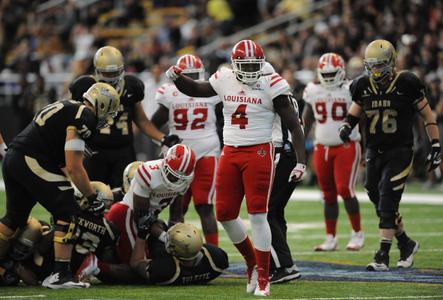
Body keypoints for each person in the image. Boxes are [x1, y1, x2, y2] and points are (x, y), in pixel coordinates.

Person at [166, 39, 307, 296]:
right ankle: (252, 261)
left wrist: (300, 161)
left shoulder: (272, 83)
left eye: (255, 64)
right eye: (246, 65)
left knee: (258, 215)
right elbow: (198, 89)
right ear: (235, 64)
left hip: (259, 151)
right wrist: (177, 78)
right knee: (225, 214)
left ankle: (264, 277)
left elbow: (295, 125)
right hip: (230, 151)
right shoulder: (224, 78)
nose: (251, 69)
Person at [0, 82, 120, 288]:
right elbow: (74, 167)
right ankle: (60, 275)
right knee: (69, 211)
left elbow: (64, 164)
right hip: (30, 160)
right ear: (100, 105)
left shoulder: (70, 106)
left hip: (16, 157)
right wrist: (92, 198)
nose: (108, 117)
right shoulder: (85, 116)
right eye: (108, 110)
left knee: (14, 218)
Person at [339, 40, 441, 271]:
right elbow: (354, 113)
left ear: (391, 63)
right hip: (374, 151)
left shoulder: (406, 82)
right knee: (378, 199)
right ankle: (406, 243)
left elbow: (427, 115)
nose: (375, 71)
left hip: (400, 151)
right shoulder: (362, 85)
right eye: (371, 66)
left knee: (387, 199)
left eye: (379, 66)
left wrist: (435, 144)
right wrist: (346, 127)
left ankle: (382, 254)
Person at [69, 46, 181, 189]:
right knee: (92, 198)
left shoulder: (131, 86)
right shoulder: (85, 87)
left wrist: (162, 138)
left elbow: (141, 119)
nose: (111, 78)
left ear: (122, 69)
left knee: (126, 199)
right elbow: (72, 120)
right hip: (95, 151)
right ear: (97, 70)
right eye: (106, 73)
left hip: (123, 151)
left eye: (114, 73)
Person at [92, 144, 196, 283]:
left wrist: (180, 239)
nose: (175, 181)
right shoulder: (149, 173)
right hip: (126, 214)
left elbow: (176, 216)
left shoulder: (186, 178)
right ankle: (93, 265)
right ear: (165, 162)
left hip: (149, 221)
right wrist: (165, 237)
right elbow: (141, 217)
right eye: (172, 175)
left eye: (180, 178)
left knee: (159, 261)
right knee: (140, 270)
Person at [151, 54, 222, 246]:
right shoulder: (211, 91)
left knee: (190, 207)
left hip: (184, 155)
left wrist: (163, 141)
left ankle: (203, 251)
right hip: (202, 151)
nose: (190, 79)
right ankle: (189, 248)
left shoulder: (170, 92)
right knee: (196, 207)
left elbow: (153, 124)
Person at [303, 53, 364, 252]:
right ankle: (331, 238)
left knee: (345, 190)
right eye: (325, 74)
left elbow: (361, 116)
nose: (328, 78)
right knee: (328, 194)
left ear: (341, 72)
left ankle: (357, 233)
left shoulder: (350, 88)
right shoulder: (313, 89)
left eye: (332, 74)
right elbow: (308, 116)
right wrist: (301, 140)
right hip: (322, 146)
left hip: (346, 145)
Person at [263, 62, 301, 283]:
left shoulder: (274, 94)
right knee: (276, 211)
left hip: (282, 154)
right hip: (288, 154)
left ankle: (285, 265)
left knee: (266, 212)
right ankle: (280, 262)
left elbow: (293, 128)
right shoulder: (287, 95)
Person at [130, 222, 228, 285]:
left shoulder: (166, 269)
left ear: (173, 252)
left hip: (157, 259)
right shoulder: (217, 260)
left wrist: (142, 234)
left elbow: (135, 263)